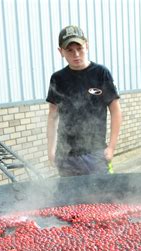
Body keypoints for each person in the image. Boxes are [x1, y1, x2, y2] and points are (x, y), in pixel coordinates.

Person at [46, 25, 122, 177]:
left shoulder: (101, 73)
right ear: (61, 51)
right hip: (66, 155)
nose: (76, 54)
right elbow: (52, 116)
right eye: (69, 50)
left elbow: (116, 111)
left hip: (95, 154)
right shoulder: (57, 78)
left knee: (103, 196)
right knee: (72, 199)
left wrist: (112, 147)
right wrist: (51, 149)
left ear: (86, 45)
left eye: (79, 48)